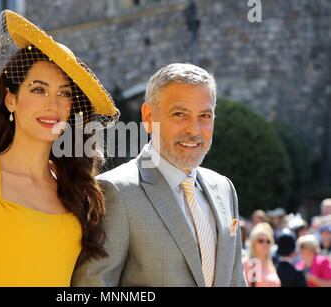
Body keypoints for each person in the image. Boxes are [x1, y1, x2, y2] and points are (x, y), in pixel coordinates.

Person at [0, 10, 119, 287]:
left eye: (64, 93)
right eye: (38, 89)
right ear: (11, 100)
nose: (53, 104)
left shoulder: (76, 190)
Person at [72, 63, 247, 287]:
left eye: (204, 115)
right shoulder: (115, 191)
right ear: (147, 117)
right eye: (179, 114)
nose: (194, 130)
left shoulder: (224, 188)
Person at [243, 223, 281, 287]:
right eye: (261, 241)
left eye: (268, 241)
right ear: (253, 243)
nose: (265, 244)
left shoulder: (270, 265)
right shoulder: (247, 264)